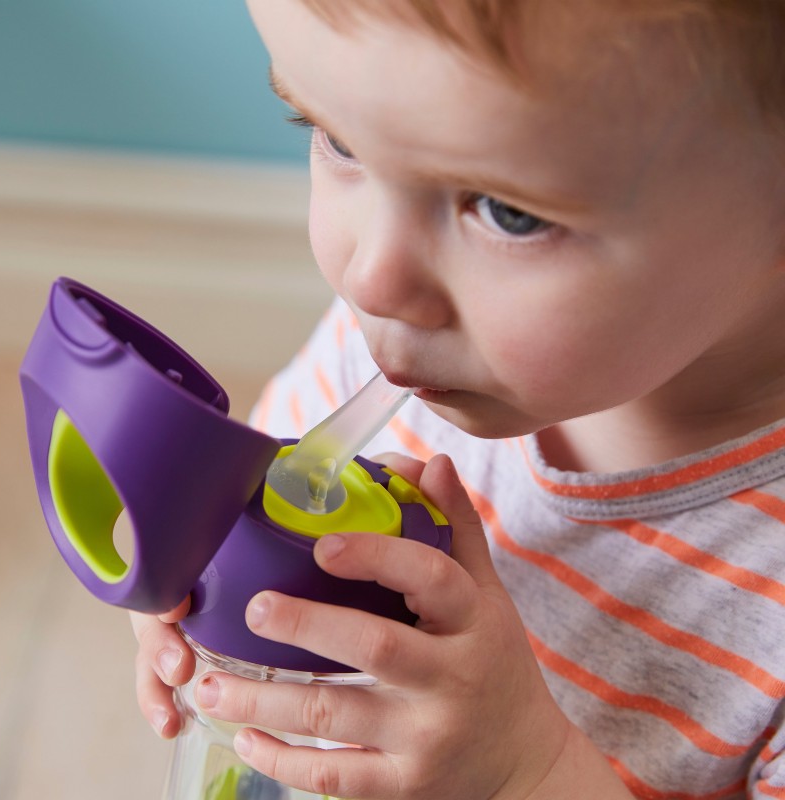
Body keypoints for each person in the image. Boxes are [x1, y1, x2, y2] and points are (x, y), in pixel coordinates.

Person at [130, 1, 785, 797]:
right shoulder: (395, 351)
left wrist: (523, 771)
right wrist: (208, 597)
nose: (372, 280)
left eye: (508, 212)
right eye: (339, 139)